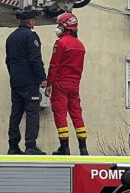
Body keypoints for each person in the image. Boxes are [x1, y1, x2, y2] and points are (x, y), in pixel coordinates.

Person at [5, 10, 46, 155]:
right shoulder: (31, 36)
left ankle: (13, 145)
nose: (35, 22)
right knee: (32, 112)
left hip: (15, 81)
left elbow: (8, 61)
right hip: (29, 82)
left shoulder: (11, 37)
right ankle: (30, 145)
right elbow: (35, 59)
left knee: (16, 112)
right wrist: (42, 78)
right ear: (29, 22)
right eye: (33, 20)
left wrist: (14, 76)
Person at [46, 12, 88, 156]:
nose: (58, 28)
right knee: (76, 114)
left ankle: (64, 147)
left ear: (66, 27)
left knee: (60, 114)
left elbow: (54, 65)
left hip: (60, 84)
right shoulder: (81, 46)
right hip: (74, 84)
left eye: (60, 25)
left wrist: (48, 84)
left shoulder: (61, 43)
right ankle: (83, 148)